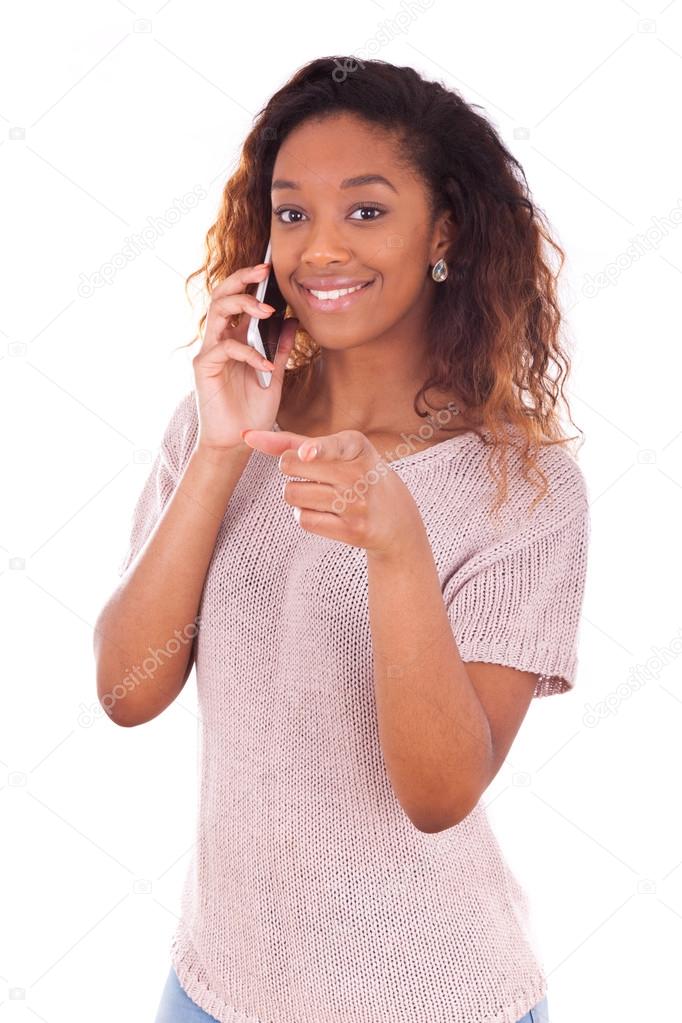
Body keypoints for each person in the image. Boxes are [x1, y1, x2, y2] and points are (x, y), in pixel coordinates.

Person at [94, 55, 588, 1023]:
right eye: (290, 213)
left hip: (427, 999)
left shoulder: (519, 488)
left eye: (365, 211)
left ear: (442, 229)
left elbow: (441, 792)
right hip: (214, 990)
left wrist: (396, 547)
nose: (320, 248)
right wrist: (221, 453)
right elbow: (126, 690)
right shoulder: (216, 424)